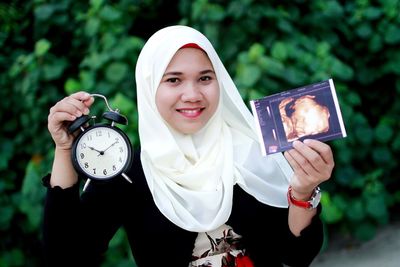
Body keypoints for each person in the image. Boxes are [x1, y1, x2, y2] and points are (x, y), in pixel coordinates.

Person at [43, 25, 334, 267]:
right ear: (149, 88)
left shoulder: (251, 151)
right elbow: (67, 256)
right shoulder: (129, 170)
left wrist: (303, 193)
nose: (192, 94)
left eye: (205, 78)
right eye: (173, 80)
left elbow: (296, 256)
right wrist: (64, 149)